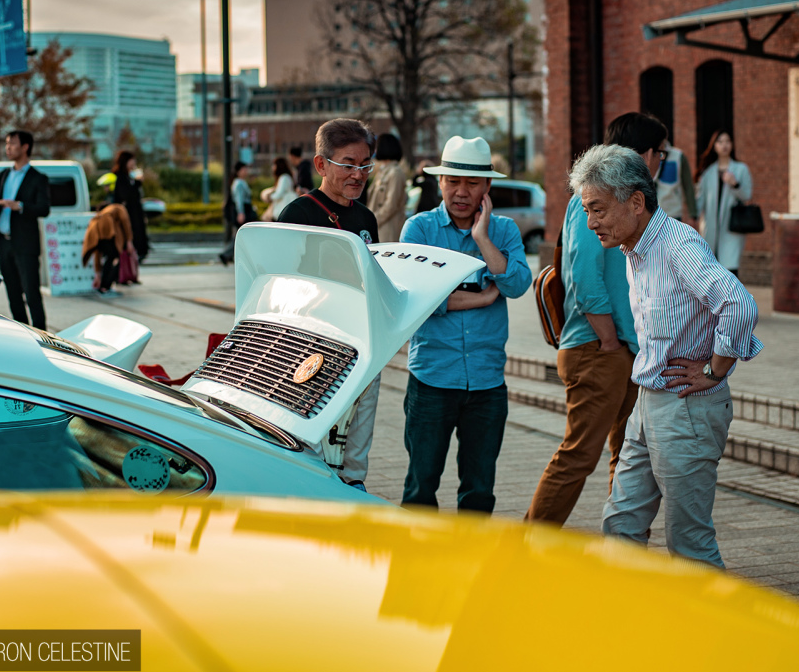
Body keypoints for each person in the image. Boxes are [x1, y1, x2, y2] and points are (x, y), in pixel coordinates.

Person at [569, 143, 761, 568]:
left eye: (597, 209)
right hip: (648, 401)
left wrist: (715, 368)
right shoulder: (634, 250)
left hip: (687, 409)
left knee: (688, 543)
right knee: (620, 523)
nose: (590, 222)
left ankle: (707, 632)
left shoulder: (677, 245)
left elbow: (740, 305)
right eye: (586, 210)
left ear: (636, 202)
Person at [525, 113, 667, 525]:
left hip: (626, 348)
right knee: (578, 457)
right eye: (660, 153)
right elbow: (583, 275)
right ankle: (525, 552)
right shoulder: (590, 199)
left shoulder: (631, 201)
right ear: (642, 154)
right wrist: (608, 340)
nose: (660, 163)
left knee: (628, 460)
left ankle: (620, 548)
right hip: (598, 347)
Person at [400, 135, 533, 513]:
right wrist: (484, 297)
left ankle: (469, 570)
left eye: (472, 183)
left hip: (487, 381)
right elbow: (418, 300)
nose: (461, 192)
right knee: (420, 486)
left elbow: (518, 284)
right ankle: (417, 567)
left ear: (487, 187)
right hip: (431, 379)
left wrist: (482, 237)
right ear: (439, 182)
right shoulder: (419, 230)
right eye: (453, 181)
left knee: (479, 491)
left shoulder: (503, 230)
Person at [279, 119, 381, 489]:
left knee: (356, 448)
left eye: (365, 164)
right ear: (321, 165)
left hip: (363, 350)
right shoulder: (298, 215)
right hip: (313, 354)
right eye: (348, 163)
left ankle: (354, 496)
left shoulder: (365, 217)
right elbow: (282, 290)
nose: (359, 174)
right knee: (315, 447)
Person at [0, 130, 50, 330]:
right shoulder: (3, 175)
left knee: (31, 293)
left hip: (25, 243)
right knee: (12, 293)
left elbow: (44, 208)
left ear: (25, 147)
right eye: (7, 144)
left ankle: (42, 336)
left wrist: (20, 205)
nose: (7, 148)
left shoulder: (38, 178)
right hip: (3, 241)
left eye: (12, 144)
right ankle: (23, 333)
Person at [695, 130, 753, 276]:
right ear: (714, 146)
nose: (724, 145)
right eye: (720, 142)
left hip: (731, 227)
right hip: (710, 229)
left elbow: (747, 195)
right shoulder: (707, 173)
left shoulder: (741, 169)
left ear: (732, 145)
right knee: (711, 272)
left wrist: (735, 184)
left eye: (727, 141)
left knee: (730, 271)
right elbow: (700, 202)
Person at [81, 203, 133, 298]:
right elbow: (126, 222)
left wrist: (98, 274)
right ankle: (105, 287)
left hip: (93, 230)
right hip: (108, 231)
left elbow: (97, 253)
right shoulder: (118, 207)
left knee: (110, 258)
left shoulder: (98, 218)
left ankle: (103, 287)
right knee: (114, 259)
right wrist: (129, 241)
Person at [109, 150, 149, 265]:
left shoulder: (128, 176)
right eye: (132, 160)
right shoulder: (121, 177)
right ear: (126, 161)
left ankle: (129, 272)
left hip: (133, 215)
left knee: (132, 245)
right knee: (127, 243)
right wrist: (137, 183)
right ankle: (124, 273)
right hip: (127, 216)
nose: (134, 162)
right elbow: (125, 195)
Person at [367, 133, 408, 242]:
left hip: (387, 229)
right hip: (379, 227)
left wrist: (371, 221)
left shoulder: (395, 173)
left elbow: (391, 205)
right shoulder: (382, 171)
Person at [219, 161, 254, 266]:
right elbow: (239, 200)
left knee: (242, 234)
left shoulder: (241, 182)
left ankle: (229, 255)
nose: (246, 171)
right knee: (242, 234)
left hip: (244, 210)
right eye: (244, 169)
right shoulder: (239, 183)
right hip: (244, 212)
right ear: (238, 171)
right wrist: (241, 213)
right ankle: (226, 254)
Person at [656, 139, 698, 224]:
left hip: (674, 212)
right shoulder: (647, 154)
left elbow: (688, 186)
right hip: (653, 213)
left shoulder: (678, 156)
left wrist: (692, 214)